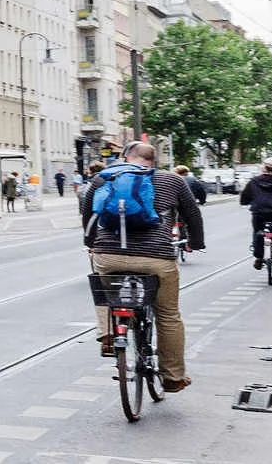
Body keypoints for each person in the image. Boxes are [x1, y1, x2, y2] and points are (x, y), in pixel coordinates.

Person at [80, 141, 205, 394]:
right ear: (154, 162)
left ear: (125, 156)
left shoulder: (103, 178)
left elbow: (87, 215)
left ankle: (107, 334)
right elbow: (192, 215)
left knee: (104, 290)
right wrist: (195, 242)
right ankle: (173, 377)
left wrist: (91, 243)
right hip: (156, 257)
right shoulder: (173, 181)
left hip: (109, 255)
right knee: (168, 315)